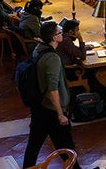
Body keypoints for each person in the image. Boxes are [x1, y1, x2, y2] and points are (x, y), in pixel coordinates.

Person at [23, 22, 84, 169]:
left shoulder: (39, 49)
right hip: (51, 109)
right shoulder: (52, 58)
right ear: (54, 38)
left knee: (34, 145)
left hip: (39, 107)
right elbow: (52, 88)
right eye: (59, 32)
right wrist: (60, 114)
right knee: (66, 146)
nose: (61, 33)